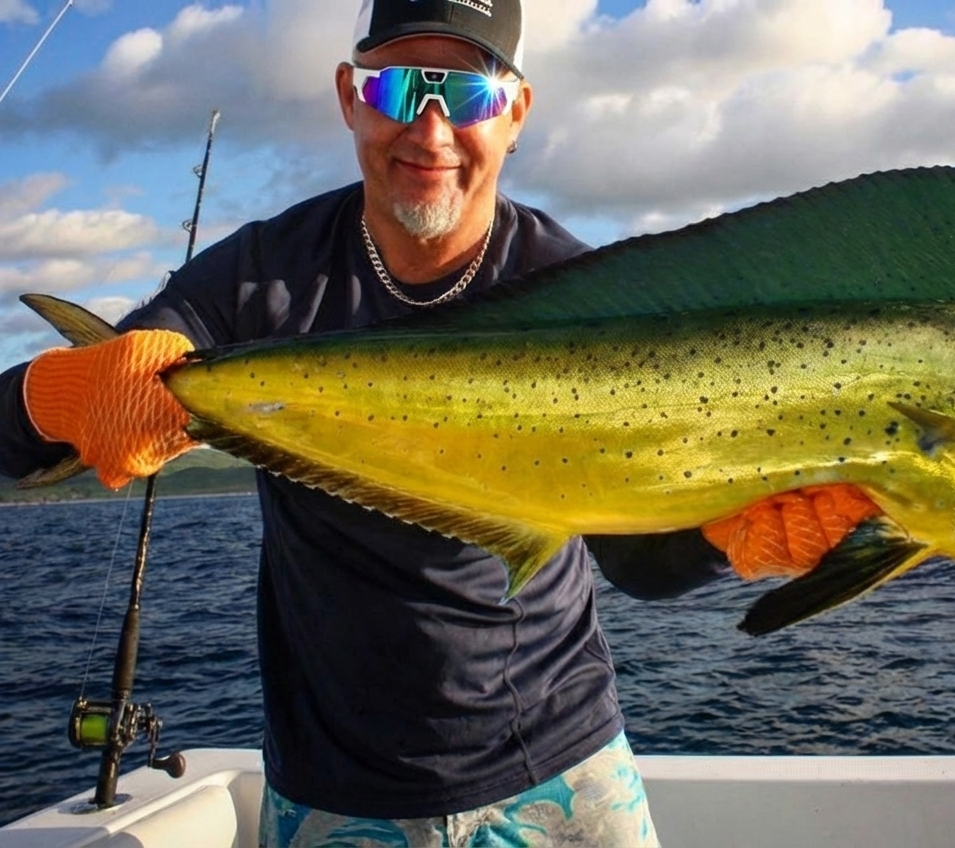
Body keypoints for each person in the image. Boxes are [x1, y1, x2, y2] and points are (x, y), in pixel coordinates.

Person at [0, 1, 853, 844]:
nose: (431, 129)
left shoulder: (582, 296)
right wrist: (54, 397)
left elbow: (636, 561)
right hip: (335, 792)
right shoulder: (258, 278)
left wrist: (722, 538)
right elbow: (22, 435)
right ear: (350, 97)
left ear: (516, 113)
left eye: (470, 93)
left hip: (562, 765)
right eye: (399, 88)